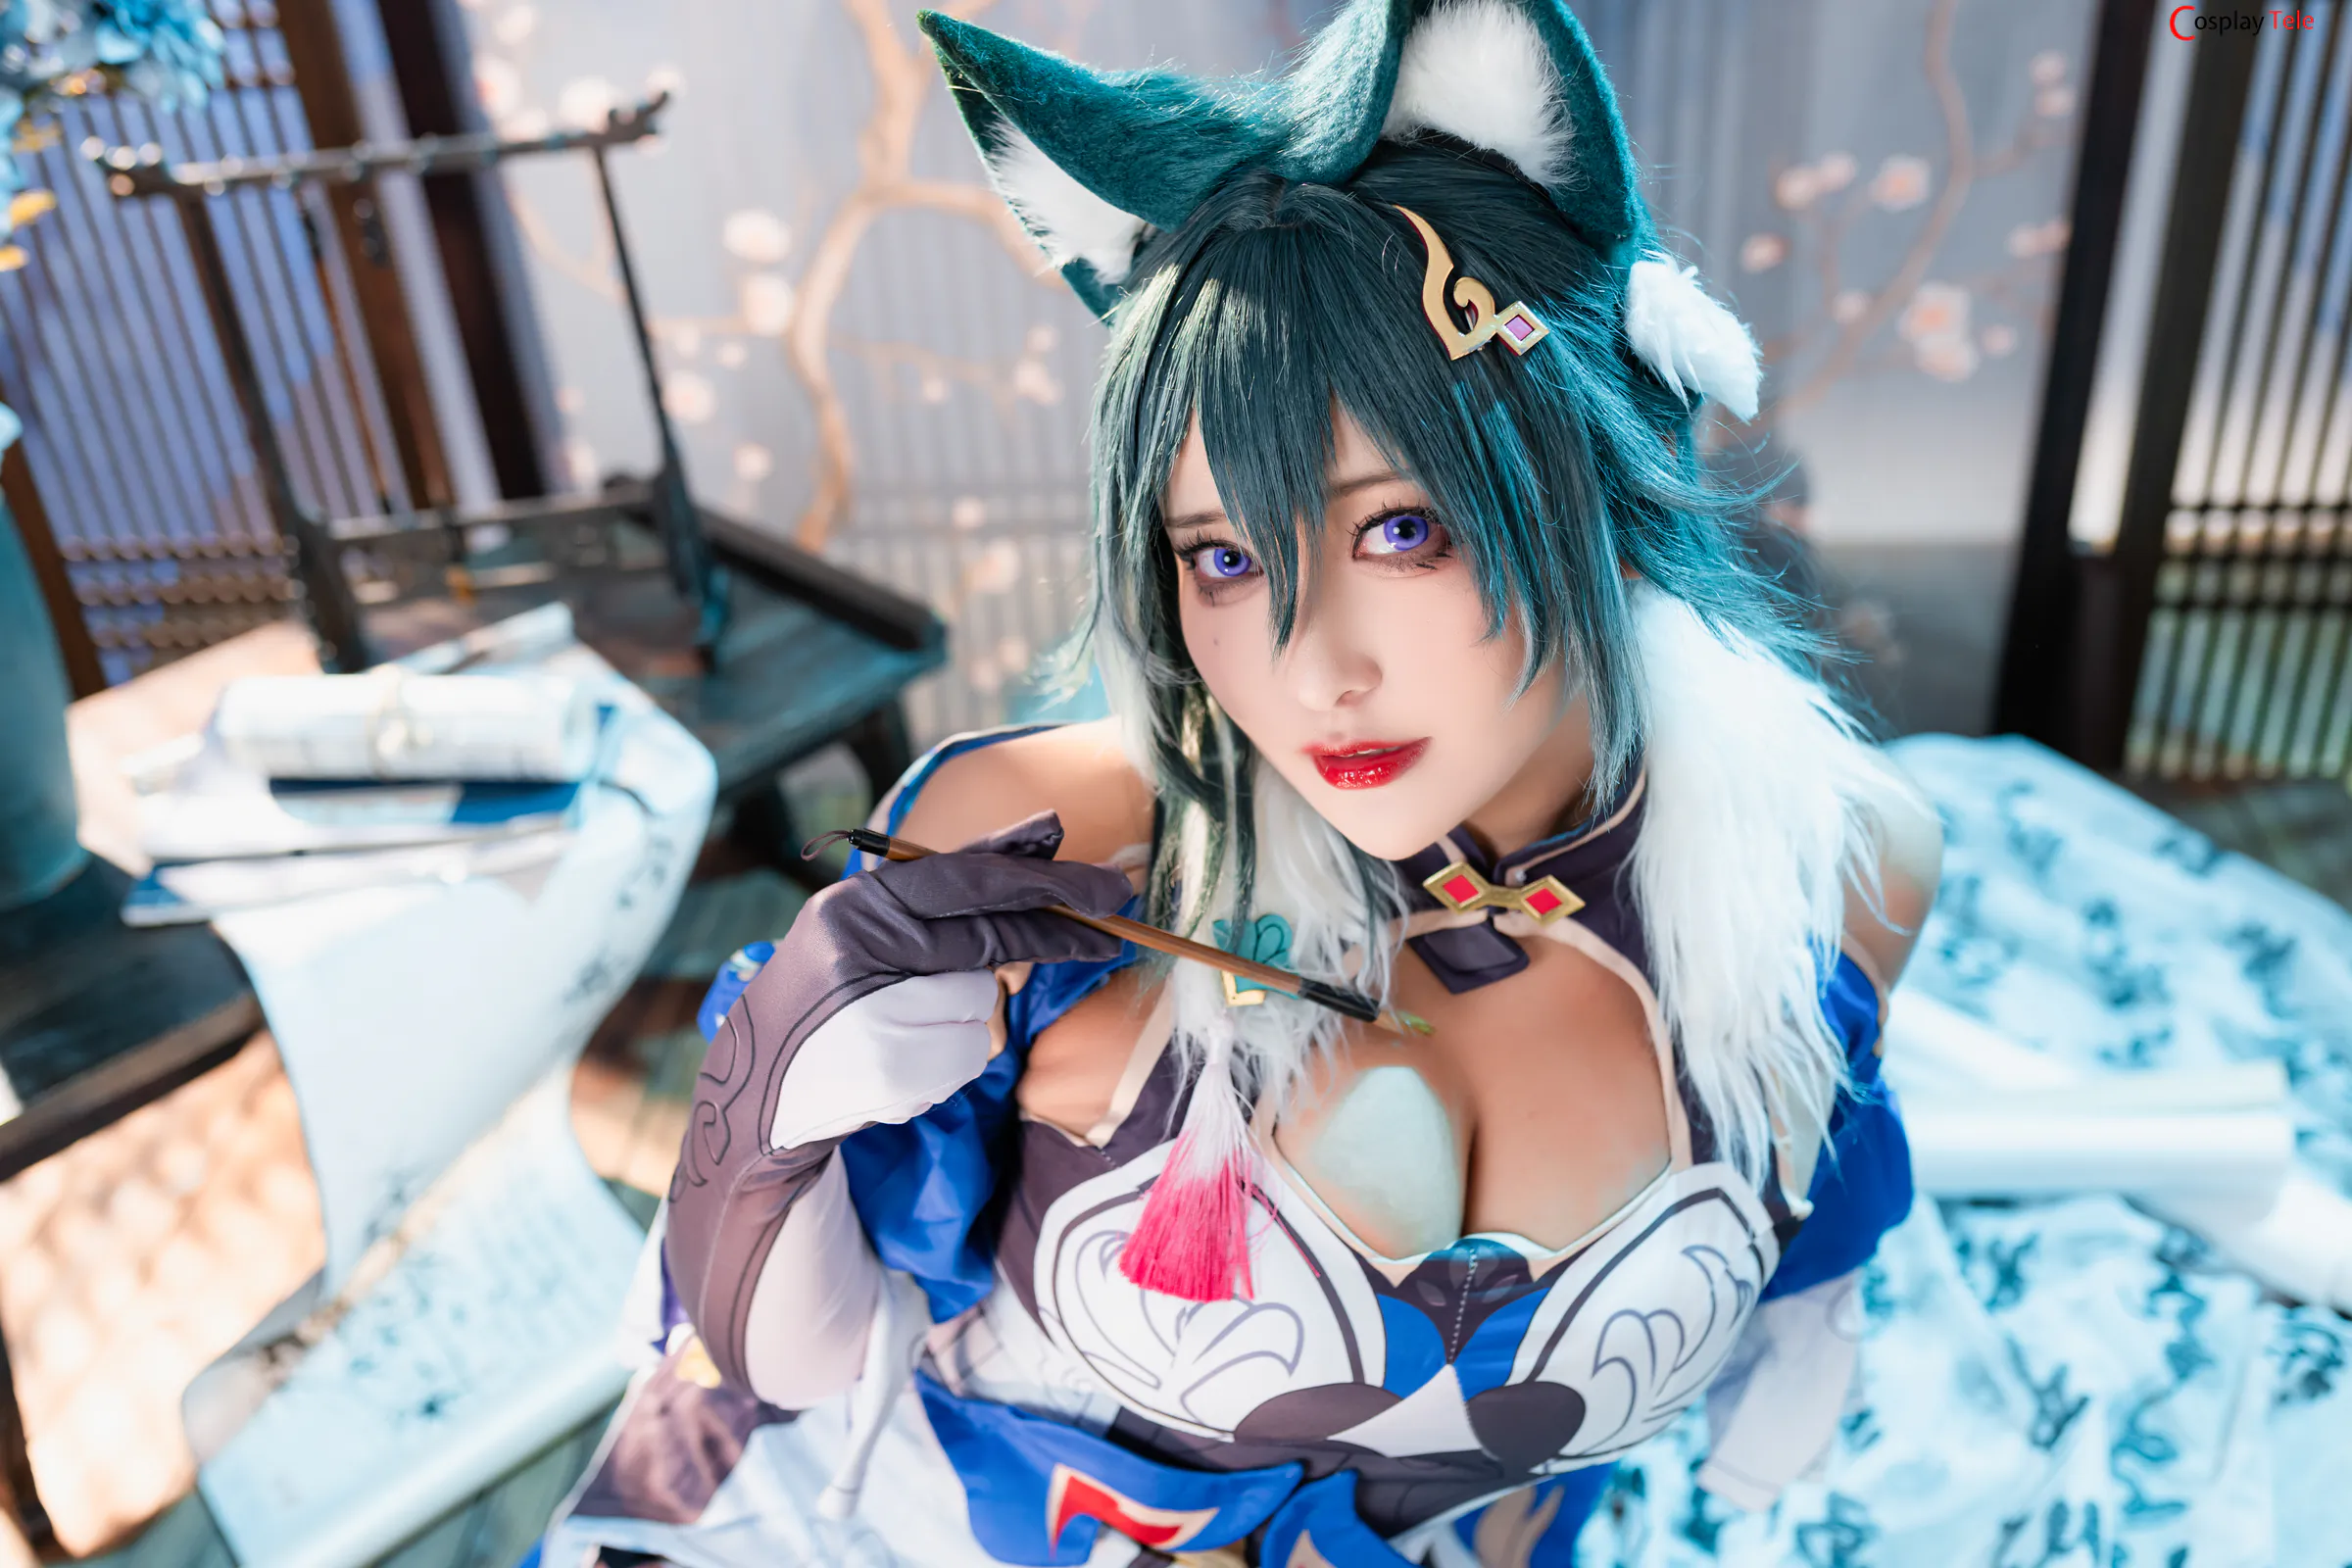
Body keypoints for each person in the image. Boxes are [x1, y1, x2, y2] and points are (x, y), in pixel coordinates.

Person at [544, 1, 1941, 1562]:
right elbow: (783, 1368)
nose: (1307, 668)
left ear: (1601, 489)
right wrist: (777, 1073)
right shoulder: (1048, 846)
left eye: (1401, 530)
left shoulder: (1835, 862)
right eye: (1221, 558)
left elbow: (1804, 1217)